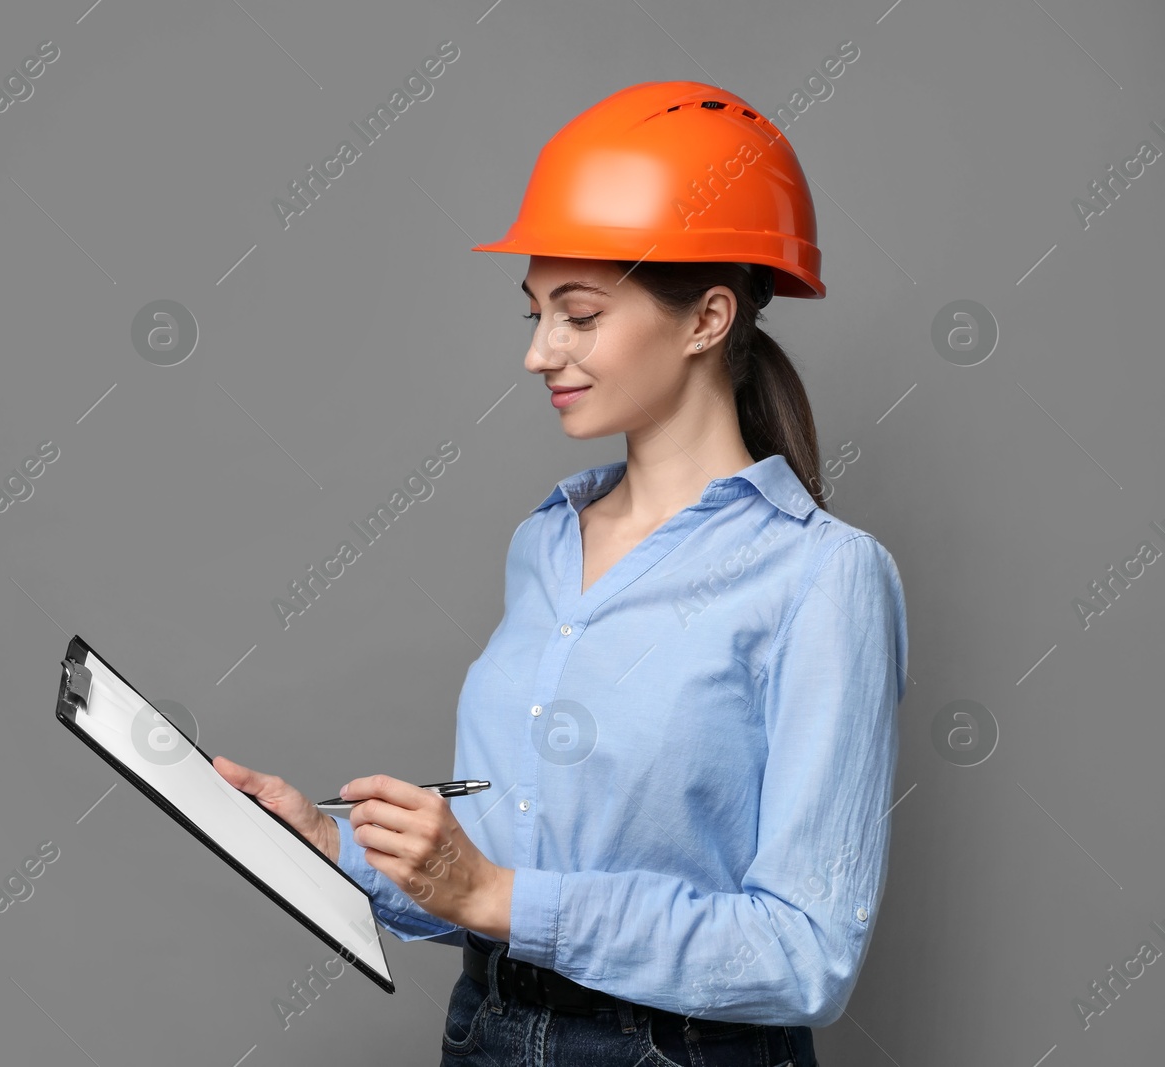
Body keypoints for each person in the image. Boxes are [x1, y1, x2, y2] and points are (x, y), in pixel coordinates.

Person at [214, 80, 908, 1067]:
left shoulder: (823, 578)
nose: (540, 352)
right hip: (485, 1029)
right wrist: (338, 851)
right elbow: (506, 875)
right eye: (536, 311)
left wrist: (496, 894)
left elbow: (805, 953)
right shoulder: (542, 543)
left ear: (708, 317)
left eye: (578, 314)